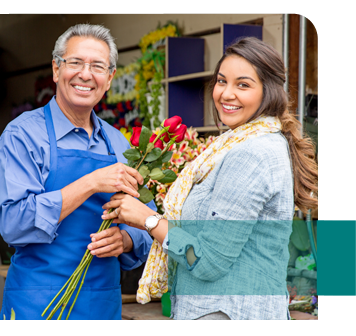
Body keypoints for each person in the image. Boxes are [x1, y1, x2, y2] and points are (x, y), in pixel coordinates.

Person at [102, 37, 318, 321]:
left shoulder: (250, 154)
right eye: (221, 81)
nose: (227, 94)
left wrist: (147, 219)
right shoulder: (235, 145)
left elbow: (207, 262)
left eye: (243, 84)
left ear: (269, 93)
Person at [0, 24, 154, 321]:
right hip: (37, 304)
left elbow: (147, 221)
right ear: (56, 69)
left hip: (102, 305)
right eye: (75, 62)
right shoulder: (23, 135)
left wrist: (126, 240)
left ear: (109, 78)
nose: (85, 74)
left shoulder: (119, 142)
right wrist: (90, 183)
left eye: (98, 66)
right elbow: (14, 223)